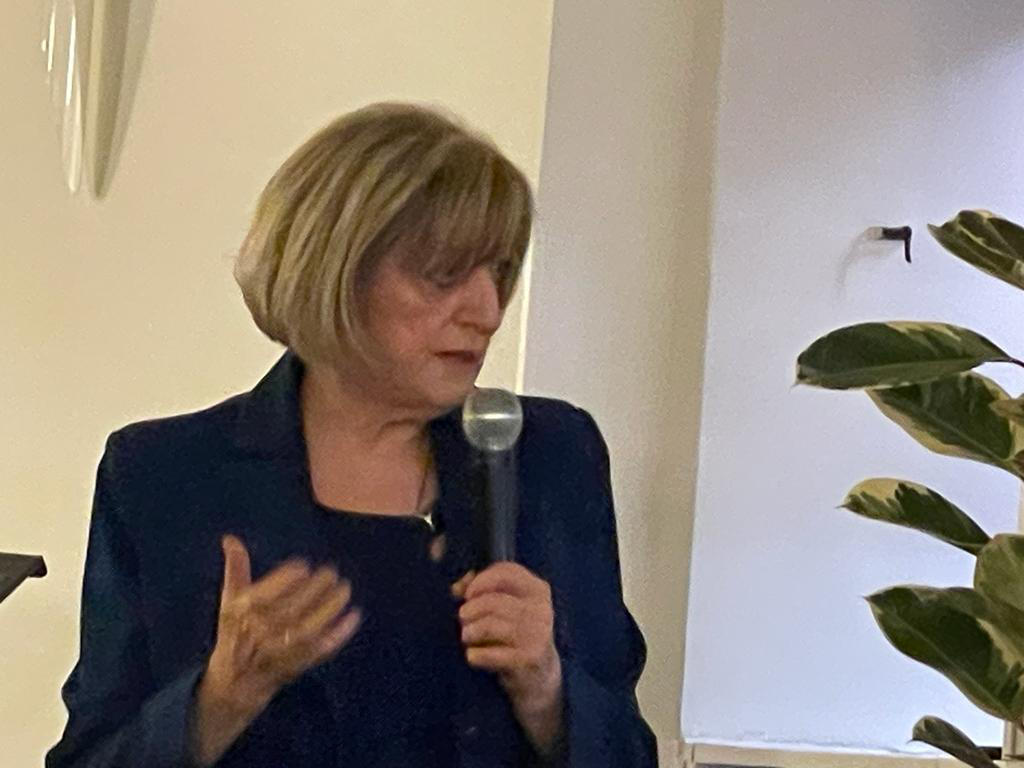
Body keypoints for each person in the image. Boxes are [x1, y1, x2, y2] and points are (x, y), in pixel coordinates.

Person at [45, 101, 657, 767]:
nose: (487, 311)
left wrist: (549, 693)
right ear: (334, 269)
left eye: (501, 272)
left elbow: (629, 750)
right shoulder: (163, 475)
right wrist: (217, 701)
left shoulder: (552, 456)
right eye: (445, 275)